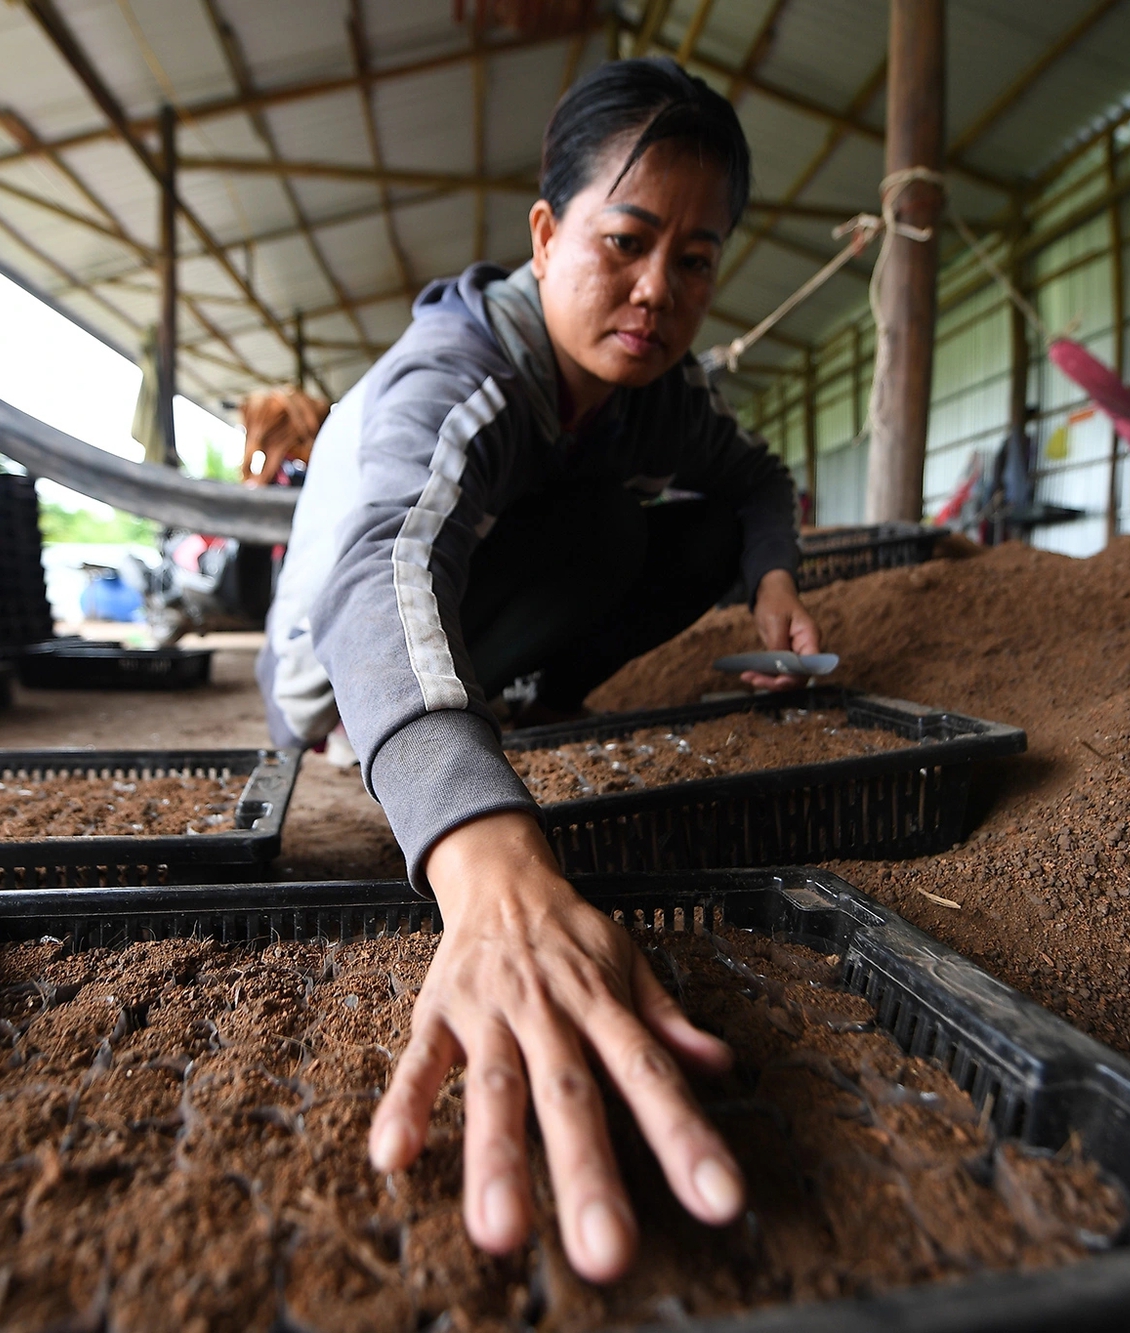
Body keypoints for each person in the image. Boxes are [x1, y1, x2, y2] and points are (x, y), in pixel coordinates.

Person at [256, 57, 823, 1283]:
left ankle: (521, 702)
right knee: (596, 534)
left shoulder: (644, 392)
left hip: (489, 606)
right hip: (329, 680)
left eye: (694, 258)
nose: (655, 291)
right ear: (546, 231)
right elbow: (375, 573)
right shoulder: (456, 372)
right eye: (624, 241)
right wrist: (487, 857)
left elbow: (754, 481)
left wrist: (771, 576)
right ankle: (435, 733)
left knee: (669, 528)